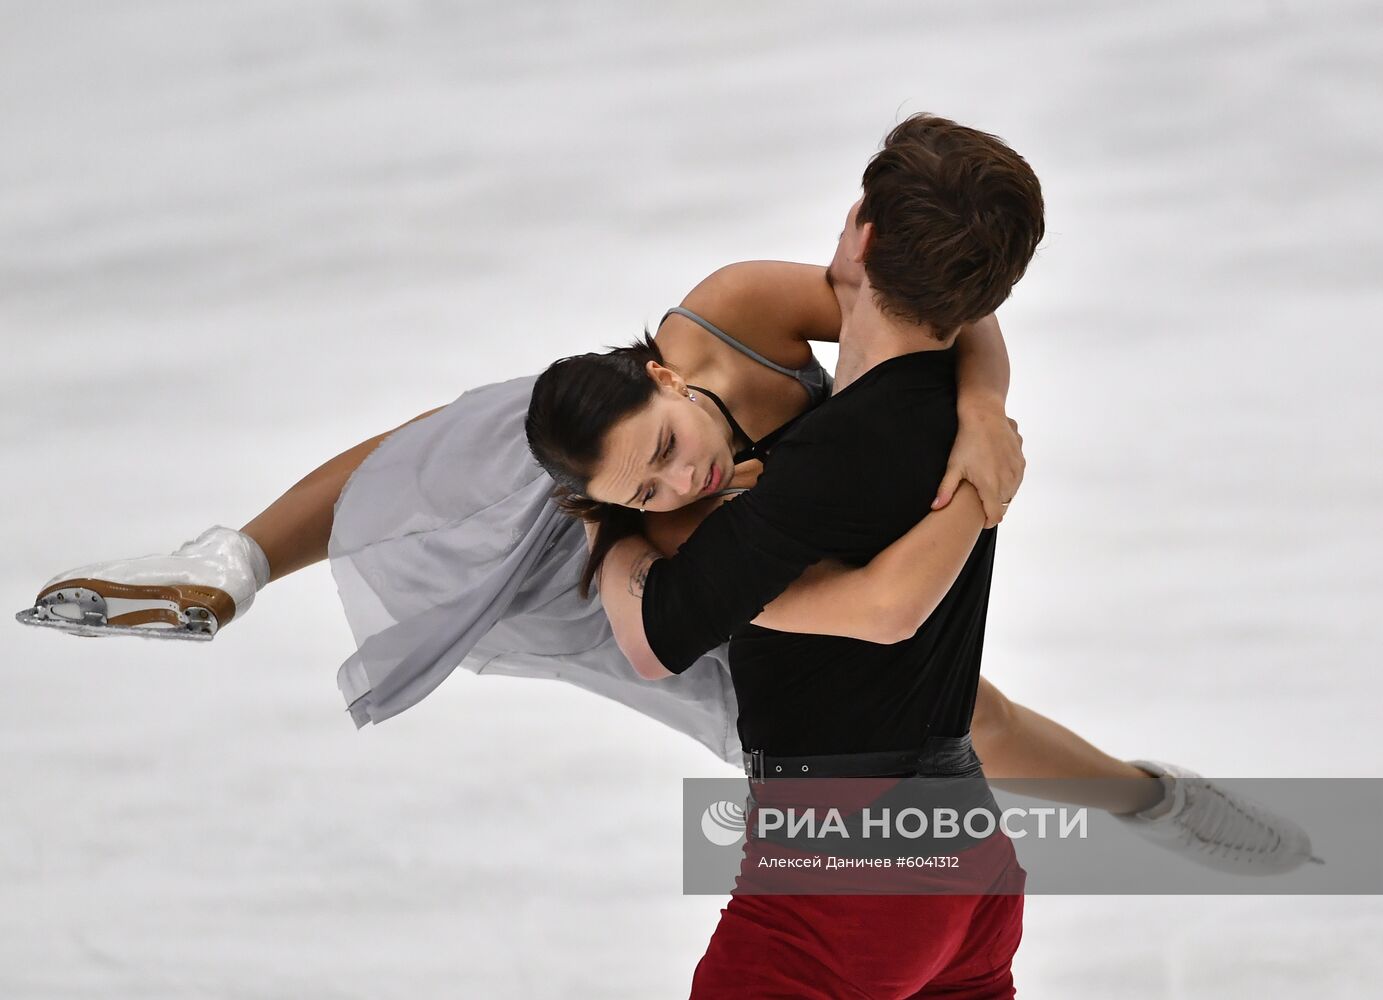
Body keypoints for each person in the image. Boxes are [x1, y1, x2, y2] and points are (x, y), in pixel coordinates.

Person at [23, 122, 1310, 886]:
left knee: (964, 710)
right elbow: (425, 468)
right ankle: (233, 559)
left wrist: (981, 412)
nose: (684, 466)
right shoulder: (662, 474)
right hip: (644, 584)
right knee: (449, 456)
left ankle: (1151, 800)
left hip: (730, 554)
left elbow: (945, 323)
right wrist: (649, 513)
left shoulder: (757, 309)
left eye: (682, 446)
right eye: (658, 468)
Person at [525, 114, 1312, 995]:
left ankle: (1152, 797)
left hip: (843, 887)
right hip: (967, 867)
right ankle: (1152, 799)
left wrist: (605, 516)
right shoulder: (947, 412)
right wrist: (983, 410)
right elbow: (968, 332)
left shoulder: (816, 468)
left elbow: (658, 636)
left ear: (860, 234)